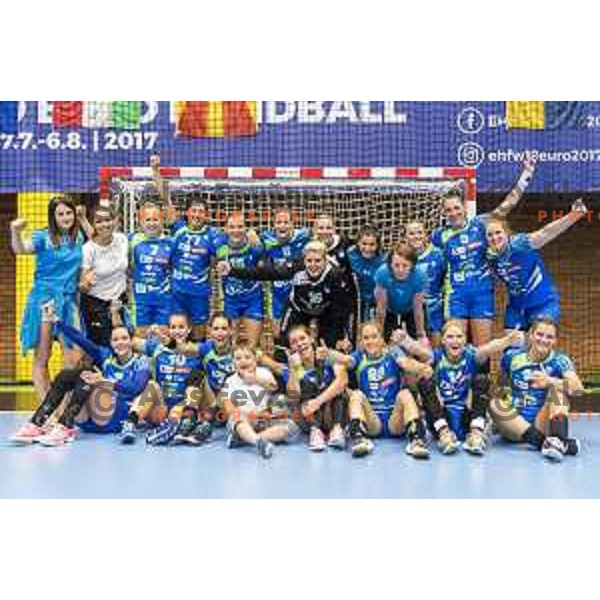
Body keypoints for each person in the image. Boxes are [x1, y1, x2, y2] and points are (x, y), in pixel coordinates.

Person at [9, 301, 150, 446]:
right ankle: (38, 422)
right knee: (68, 376)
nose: (120, 343)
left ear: (131, 341)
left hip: (115, 420)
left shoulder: (140, 361)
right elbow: (80, 339)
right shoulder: (106, 355)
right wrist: (56, 320)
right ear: (111, 343)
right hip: (89, 422)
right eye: (115, 339)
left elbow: (135, 388)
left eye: (124, 338)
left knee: (88, 375)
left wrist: (104, 382)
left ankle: (65, 426)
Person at [431, 158, 537, 350]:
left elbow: (508, 204)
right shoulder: (439, 236)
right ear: (443, 212)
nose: (453, 212)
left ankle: (482, 380)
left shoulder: (480, 224)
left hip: (482, 293)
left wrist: (526, 174)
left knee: (482, 350)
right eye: (448, 209)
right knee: (455, 345)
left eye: (456, 207)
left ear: (464, 207)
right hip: (456, 296)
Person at [395, 321, 524, 455]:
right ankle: (444, 434)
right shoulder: (436, 357)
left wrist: (508, 340)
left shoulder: (472, 355)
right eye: (450, 337)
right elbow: (419, 350)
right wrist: (405, 340)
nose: (455, 341)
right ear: (443, 341)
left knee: (482, 379)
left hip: (466, 417)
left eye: (459, 336)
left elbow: (489, 348)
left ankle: (476, 434)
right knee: (425, 382)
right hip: (441, 418)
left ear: (465, 339)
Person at [321, 322, 431, 459]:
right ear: (361, 341)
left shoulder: (393, 352)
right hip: (372, 422)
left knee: (405, 394)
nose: (370, 341)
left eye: (374, 336)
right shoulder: (360, 356)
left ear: (381, 339)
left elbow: (405, 362)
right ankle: (359, 438)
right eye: (366, 338)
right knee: (356, 394)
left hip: (394, 420)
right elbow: (346, 360)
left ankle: (417, 440)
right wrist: (329, 354)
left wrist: (421, 368)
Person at [11, 195, 85, 400]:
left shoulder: (78, 237)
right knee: (42, 356)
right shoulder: (42, 236)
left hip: (68, 302)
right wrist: (16, 231)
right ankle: (46, 411)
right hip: (45, 301)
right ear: (53, 217)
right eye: (60, 214)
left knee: (74, 357)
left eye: (68, 212)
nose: (65, 217)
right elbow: (20, 249)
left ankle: (63, 411)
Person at [220, 240, 353, 349]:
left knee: (329, 344)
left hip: (326, 311)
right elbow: (266, 273)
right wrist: (233, 271)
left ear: (325, 260)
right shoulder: (296, 267)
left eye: (318, 261)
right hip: (299, 308)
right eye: (309, 261)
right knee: (283, 342)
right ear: (303, 260)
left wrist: (343, 335)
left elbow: (342, 309)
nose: (313, 265)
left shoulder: (335, 275)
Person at [486, 198, 588, 331]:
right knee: (512, 350)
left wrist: (573, 216)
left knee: (539, 342)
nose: (495, 238)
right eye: (490, 235)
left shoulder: (519, 244)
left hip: (543, 304)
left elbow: (546, 232)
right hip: (517, 309)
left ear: (507, 233)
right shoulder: (490, 258)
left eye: (498, 233)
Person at [489, 318, 584, 461]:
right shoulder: (512, 357)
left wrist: (549, 381)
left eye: (549, 337)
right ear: (531, 336)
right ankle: (558, 444)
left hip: (541, 423)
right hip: (515, 426)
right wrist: (497, 418)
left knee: (558, 393)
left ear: (555, 341)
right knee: (494, 405)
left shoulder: (560, 360)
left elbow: (578, 389)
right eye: (540, 334)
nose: (544, 340)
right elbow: (500, 383)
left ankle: (554, 440)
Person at [122, 313, 205, 446]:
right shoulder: (157, 348)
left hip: (182, 407)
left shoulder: (197, 351)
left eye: (181, 327)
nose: (177, 331)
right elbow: (126, 340)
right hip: (160, 408)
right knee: (152, 385)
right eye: (173, 327)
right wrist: (117, 315)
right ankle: (130, 423)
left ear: (189, 329)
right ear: (168, 329)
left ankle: (173, 428)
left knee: (193, 389)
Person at [222, 341, 299, 459]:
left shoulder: (264, 373)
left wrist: (256, 379)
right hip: (245, 420)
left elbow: (274, 387)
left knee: (291, 427)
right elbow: (228, 407)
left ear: (255, 360)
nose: (243, 361)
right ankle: (258, 442)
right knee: (235, 419)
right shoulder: (230, 380)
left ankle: (247, 439)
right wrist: (244, 415)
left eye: (247, 357)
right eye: (238, 358)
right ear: (233, 362)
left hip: (264, 419)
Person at [286, 324, 348, 451]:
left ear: (311, 339)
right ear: (291, 348)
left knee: (339, 391)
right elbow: (294, 396)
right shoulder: (293, 367)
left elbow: (343, 381)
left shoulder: (327, 356)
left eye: (303, 338)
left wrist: (318, 401)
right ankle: (315, 433)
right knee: (300, 399)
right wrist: (295, 369)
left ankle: (337, 430)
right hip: (310, 417)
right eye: (294, 342)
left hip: (332, 411)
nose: (299, 344)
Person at [79, 205, 130, 346]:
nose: (104, 224)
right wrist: (85, 284)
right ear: (94, 224)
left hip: (119, 303)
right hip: (96, 306)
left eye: (107, 220)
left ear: (115, 221)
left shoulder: (122, 240)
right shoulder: (87, 250)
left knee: (123, 346)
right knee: (101, 349)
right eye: (99, 221)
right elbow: (82, 287)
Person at [214, 213, 265, 348]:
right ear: (225, 229)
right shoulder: (218, 245)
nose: (236, 230)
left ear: (246, 228)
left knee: (252, 346)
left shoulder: (255, 247)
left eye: (240, 227)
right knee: (230, 344)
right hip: (231, 300)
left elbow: (264, 271)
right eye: (232, 227)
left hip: (252, 300)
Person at [262, 206, 311, 339]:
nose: (282, 226)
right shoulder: (266, 239)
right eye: (278, 222)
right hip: (278, 296)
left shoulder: (304, 236)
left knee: (302, 335)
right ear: (273, 225)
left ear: (292, 224)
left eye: (285, 222)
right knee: (277, 335)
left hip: (299, 295)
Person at [129, 200, 174, 338]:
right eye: (147, 219)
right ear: (140, 222)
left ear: (162, 221)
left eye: (156, 219)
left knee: (163, 339)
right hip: (140, 300)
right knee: (140, 339)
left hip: (164, 301)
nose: (152, 223)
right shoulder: (132, 240)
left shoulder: (171, 243)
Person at [374, 241, 427, 344]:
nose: (400, 270)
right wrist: (379, 333)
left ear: (412, 266)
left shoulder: (419, 275)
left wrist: (421, 334)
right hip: (389, 309)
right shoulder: (382, 273)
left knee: (416, 340)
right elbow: (381, 307)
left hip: (410, 309)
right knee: (385, 339)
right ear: (390, 265)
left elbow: (417, 308)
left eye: (405, 266)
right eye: (396, 265)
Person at [405, 221, 446, 346]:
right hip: (410, 310)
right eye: (411, 233)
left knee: (436, 349)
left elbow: (448, 279)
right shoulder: (402, 257)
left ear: (426, 235)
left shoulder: (438, 255)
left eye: (419, 233)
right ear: (405, 237)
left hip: (434, 308)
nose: (416, 236)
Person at [347, 226, 386, 324]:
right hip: (356, 301)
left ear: (378, 245)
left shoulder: (383, 261)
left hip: (375, 302)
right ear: (358, 243)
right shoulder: (351, 254)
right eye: (364, 244)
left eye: (372, 244)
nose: (367, 248)